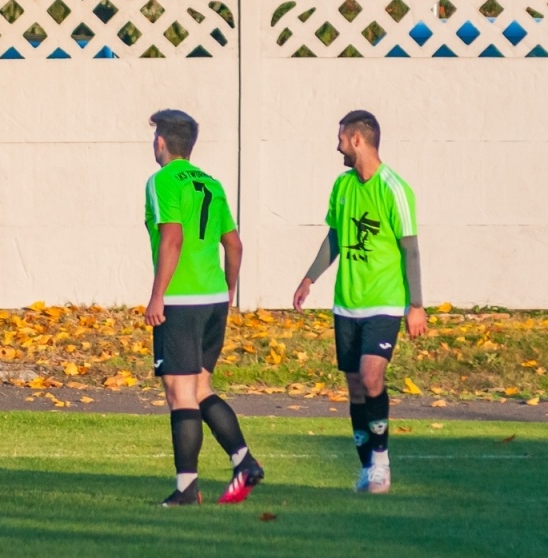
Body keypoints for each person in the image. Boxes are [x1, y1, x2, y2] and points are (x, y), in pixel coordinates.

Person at [292, 110, 426, 494]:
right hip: (346, 303)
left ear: (356, 140)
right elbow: (335, 237)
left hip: (384, 302)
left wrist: (416, 305)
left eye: (341, 139)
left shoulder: (394, 189)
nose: (338, 147)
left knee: (371, 377)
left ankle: (382, 462)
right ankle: (367, 467)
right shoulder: (343, 186)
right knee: (354, 388)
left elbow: (410, 249)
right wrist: (309, 278)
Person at [144, 109, 264, 507]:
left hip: (182, 300)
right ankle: (244, 462)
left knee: (179, 393)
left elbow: (172, 239)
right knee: (199, 388)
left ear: (161, 142)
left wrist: (158, 295)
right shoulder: (211, 183)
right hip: (214, 299)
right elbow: (234, 245)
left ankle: (186, 489)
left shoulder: (162, 181)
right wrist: (229, 289)